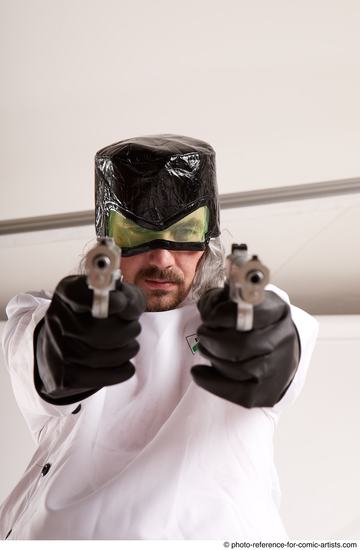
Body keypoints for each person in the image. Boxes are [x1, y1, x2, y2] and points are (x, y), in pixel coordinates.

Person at [0, 135, 318, 540]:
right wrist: (57, 350)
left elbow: (286, 341)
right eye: (136, 233)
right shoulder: (54, 315)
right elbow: (32, 356)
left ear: (207, 240)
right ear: (108, 240)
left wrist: (270, 345)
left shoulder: (248, 313)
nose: (162, 259)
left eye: (184, 232)